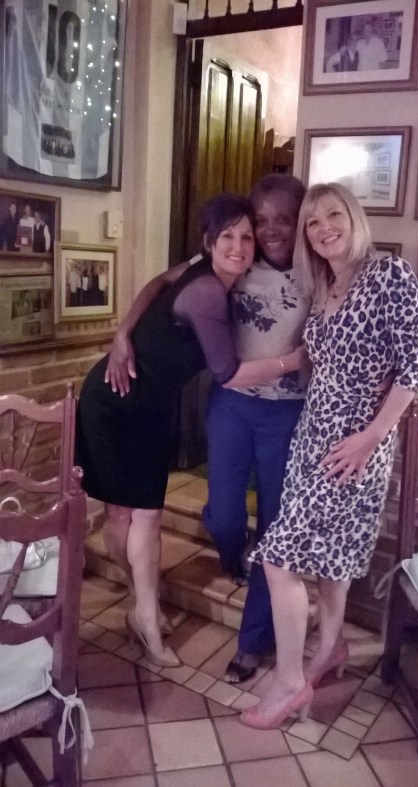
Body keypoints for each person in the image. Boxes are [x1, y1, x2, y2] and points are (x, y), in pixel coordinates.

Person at [76, 193, 307, 670]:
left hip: (151, 407)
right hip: (112, 401)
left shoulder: (208, 272)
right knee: (126, 514)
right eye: (228, 237)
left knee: (141, 515)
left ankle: (142, 606)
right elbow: (228, 374)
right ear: (209, 242)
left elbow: (159, 280)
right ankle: (145, 610)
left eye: (246, 237)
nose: (239, 246)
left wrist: (124, 331)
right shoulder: (207, 292)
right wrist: (294, 360)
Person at [240, 182, 418, 730]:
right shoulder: (324, 284)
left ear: (354, 217)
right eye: (313, 222)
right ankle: (331, 646)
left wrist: (370, 438)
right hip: (312, 436)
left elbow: (414, 369)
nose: (324, 228)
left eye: (333, 215)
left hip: (354, 446)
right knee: (330, 554)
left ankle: (290, 681)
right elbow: (318, 359)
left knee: (279, 558)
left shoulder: (389, 275)